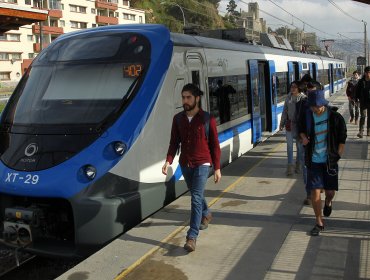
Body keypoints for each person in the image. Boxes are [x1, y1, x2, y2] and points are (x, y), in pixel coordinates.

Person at [162, 83, 221, 252]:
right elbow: (174, 142)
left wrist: (217, 168)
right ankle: (207, 213)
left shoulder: (207, 119)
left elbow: (215, 145)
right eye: (183, 97)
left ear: (197, 98)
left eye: (188, 97)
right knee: (197, 193)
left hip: (202, 163)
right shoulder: (178, 119)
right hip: (185, 163)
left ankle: (192, 236)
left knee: (195, 197)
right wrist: (168, 160)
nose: (185, 101)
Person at [298, 87, 347, 236]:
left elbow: (342, 138)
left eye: (318, 106)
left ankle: (328, 202)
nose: (316, 109)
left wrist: (337, 156)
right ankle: (319, 222)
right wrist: (303, 137)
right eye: (313, 106)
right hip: (313, 160)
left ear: (324, 104)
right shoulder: (307, 116)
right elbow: (300, 129)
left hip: (330, 161)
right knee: (315, 191)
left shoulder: (335, 118)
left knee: (330, 192)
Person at [279, 81, 306, 177]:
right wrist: (281, 123)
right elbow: (285, 111)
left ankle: (298, 165)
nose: (292, 88)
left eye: (295, 87)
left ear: (299, 88)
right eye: (291, 87)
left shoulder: (303, 98)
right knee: (289, 147)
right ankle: (290, 167)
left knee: (299, 147)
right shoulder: (288, 97)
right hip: (289, 125)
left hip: (299, 127)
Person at [355, 66, 370, 138]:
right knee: (363, 116)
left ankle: (369, 131)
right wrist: (356, 100)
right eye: (367, 73)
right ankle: (361, 131)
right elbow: (357, 91)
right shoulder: (361, 81)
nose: (368, 74)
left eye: (369, 73)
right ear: (365, 73)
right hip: (363, 102)